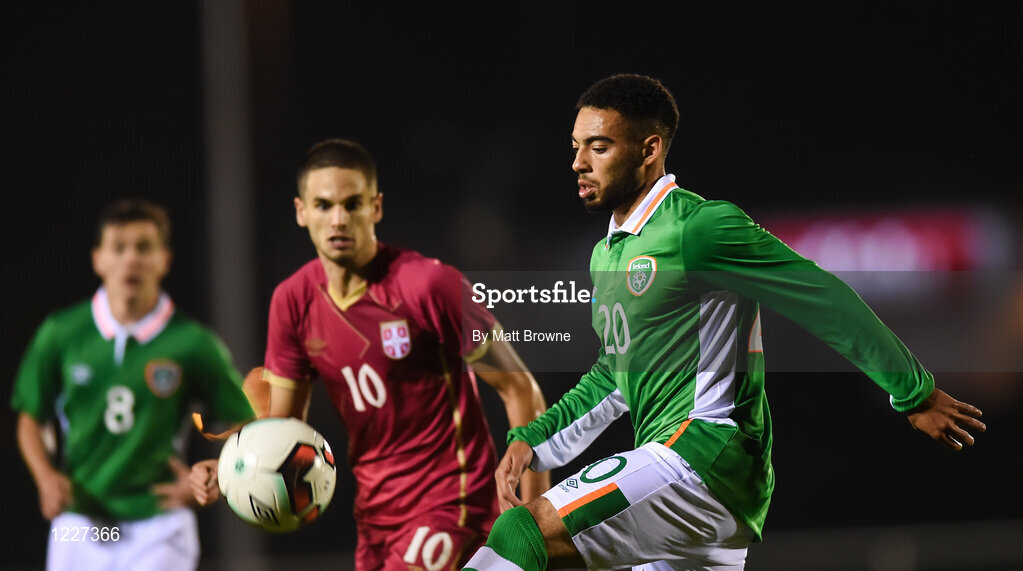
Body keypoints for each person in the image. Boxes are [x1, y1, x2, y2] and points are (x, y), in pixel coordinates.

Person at [463, 74, 987, 571]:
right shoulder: (607, 254)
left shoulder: (701, 227)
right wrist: (534, 439)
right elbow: (613, 375)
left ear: (650, 150)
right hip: (689, 476)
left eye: (598, 147)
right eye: (575, 146)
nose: (578, 162)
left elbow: (822, 296)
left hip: (704, 455)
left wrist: (911, 391)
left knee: (521, 534)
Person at [190, 138, 550, 570]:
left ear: (375, 208)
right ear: (301, 211)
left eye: (352, 203)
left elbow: (520, 391)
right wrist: (231, 465)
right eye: (323, 205)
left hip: (452, 506)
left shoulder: (427, 286)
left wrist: (534, 529)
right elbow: (282, 431)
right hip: (376, 519)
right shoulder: (293, 301)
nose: (338, 219)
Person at [12, 199, 255, 571]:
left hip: (159, 522)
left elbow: (245, 423)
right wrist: (46, 478)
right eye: (119, 247)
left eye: (144, 247)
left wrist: (221, 475)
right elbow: (31, 417)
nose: (131, 259)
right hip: (81, 520)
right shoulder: (62, 333)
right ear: (98, 259)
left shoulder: (192, 343)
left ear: (165, 259)